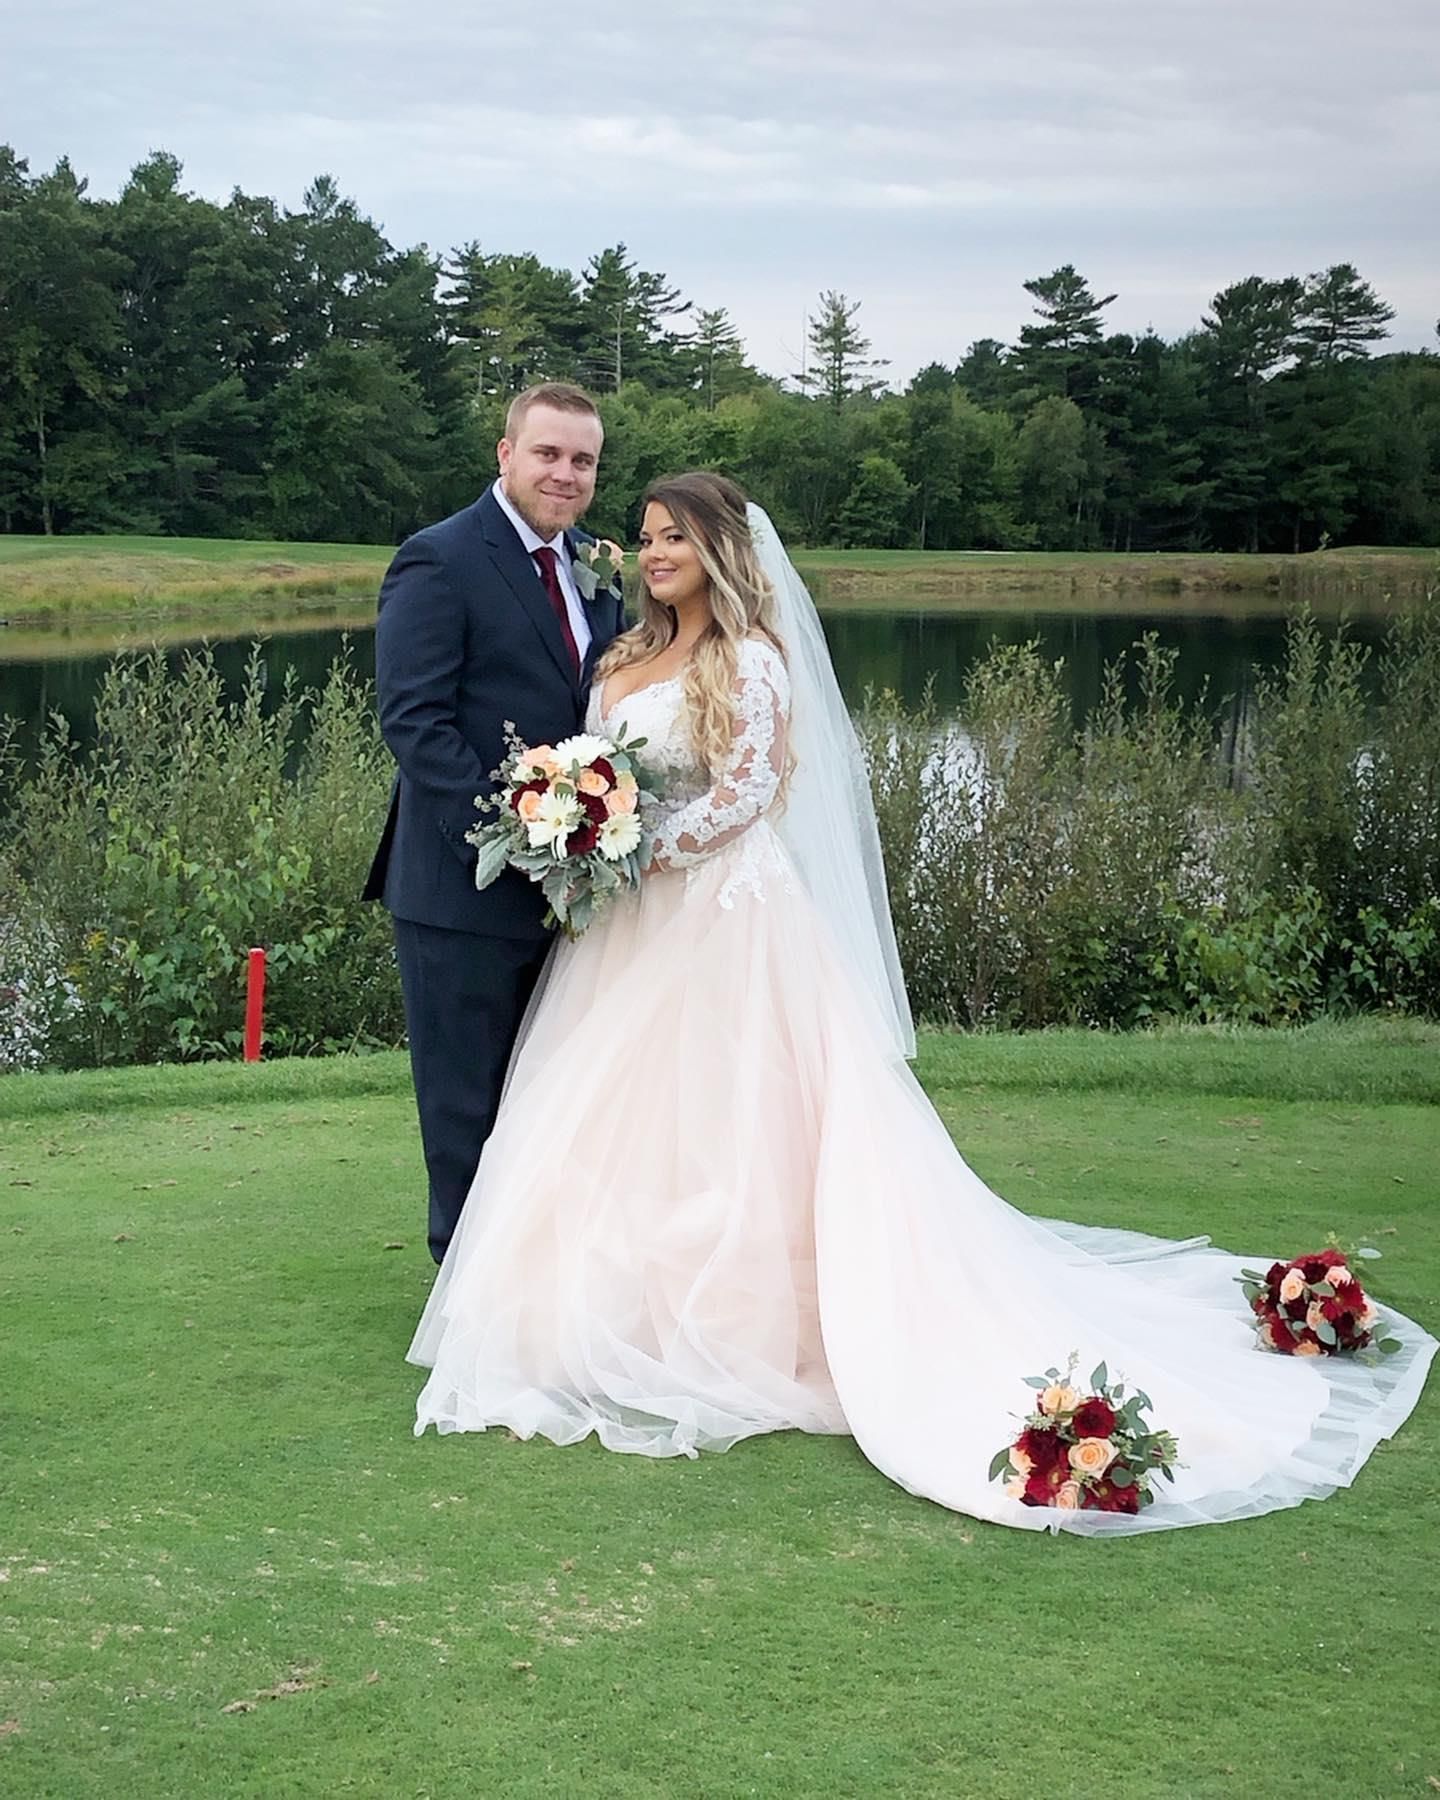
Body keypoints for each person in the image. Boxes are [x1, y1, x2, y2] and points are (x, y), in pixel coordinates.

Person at [408, 471, 1436, 1535]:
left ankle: (749, 1316)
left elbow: (748, 795)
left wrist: (629, 844)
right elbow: (602, 764)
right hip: (623, 932)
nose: (654, 551)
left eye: (675, 537)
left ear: (719, 549)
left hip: (722, 918)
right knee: (624, 1115)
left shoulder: (749, 659)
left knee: (737, 1113)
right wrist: (579, 817)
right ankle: (620, 1309)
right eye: (647, 536)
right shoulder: (625, 654)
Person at [364, 383, 626, 1264]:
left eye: (582, 460)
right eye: (547, 453)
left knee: (553, 1091)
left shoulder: (597, 563)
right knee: (464, 1099)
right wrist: (521, 829)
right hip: (458, 887)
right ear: (505, 454)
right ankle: (462, 1290)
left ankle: (540, 1279)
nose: (565, 473)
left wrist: (586, 834)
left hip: (576, 887)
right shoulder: (438, 559)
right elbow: (415, 723)